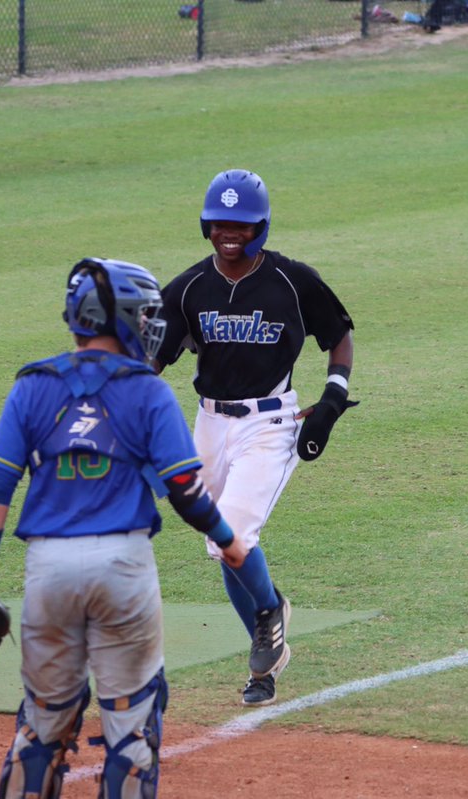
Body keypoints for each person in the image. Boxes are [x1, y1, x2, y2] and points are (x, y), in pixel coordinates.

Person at [0, 257, 248, 799]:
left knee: (40, 728)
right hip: (123, 567)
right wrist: (229, 542)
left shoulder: (33, 387)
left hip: (48, 570)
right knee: (131, 732)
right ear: (117, 319)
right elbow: (185, 490)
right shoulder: (148, 391)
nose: (149, 326)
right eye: (142, 315)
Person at [155, 169, 357, 707]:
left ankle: (269, 612)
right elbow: (150, 359)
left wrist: (333, 399)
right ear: (206, 224)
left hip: (269, 425)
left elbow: (338, 334)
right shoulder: (189, 288)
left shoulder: (292, 281)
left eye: (241, 225)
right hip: (208, 425)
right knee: (225, 551)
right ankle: (265, 666)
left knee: (236, 534)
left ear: (260, 227)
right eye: (221, 223)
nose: (230, 233)